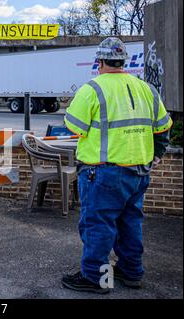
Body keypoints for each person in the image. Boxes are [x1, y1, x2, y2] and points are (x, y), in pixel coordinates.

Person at [61, 37, 173, 294]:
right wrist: (156, 155)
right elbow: (163, 128)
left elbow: (73, 126)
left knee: (98, 224)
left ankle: (95, 278)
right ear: (124, 61)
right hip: (139, 172)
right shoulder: (147, 88)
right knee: (130, 222)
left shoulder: (92, 89)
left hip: (102, 173)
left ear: (99, 62)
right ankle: (131, 271)